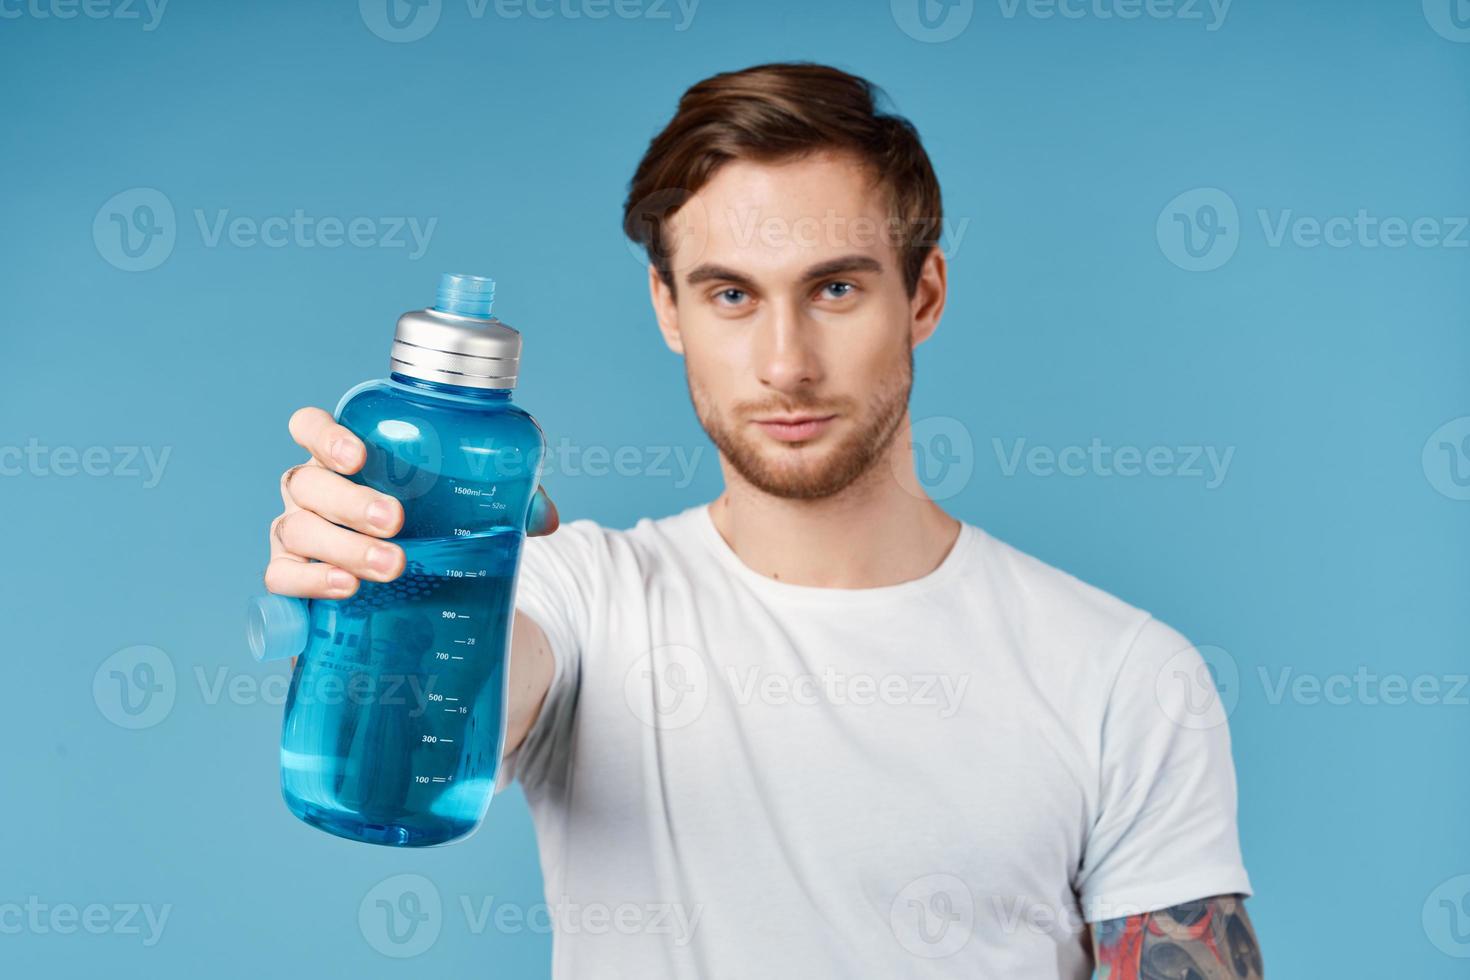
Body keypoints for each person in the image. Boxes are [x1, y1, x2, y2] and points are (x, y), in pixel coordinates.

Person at [263, 61, 1262, 979]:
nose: (786, 361)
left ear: (924, 294)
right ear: (668, 308)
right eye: (731, 294)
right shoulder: (582, 596)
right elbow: (450, 693)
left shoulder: (1124, 675)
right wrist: (374, 573)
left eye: (834, 287)